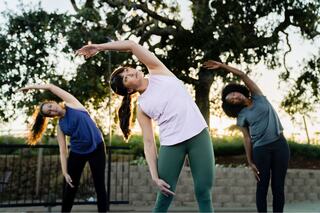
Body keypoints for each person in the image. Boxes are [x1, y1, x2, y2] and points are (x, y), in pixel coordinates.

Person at [76, 40, 215, 212]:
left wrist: (99, 47)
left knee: (203, 192)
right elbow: (149, 142)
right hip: (171, 145)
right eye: (126, 79)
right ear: (128, 90)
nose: (131, 73)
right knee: (164, 197)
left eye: (127, 70)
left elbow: (132, 45)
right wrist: (155, 176)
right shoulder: (142, 107)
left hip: (198, 136)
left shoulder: (158, 70)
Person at [203, 60, 290, 212]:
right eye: (233, 100)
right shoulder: (241, 116)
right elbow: (247, 138)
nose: (236, 98)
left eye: (234, 94)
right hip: (261, 149)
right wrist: (250, 161)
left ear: (237, 90)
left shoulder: (258, 96)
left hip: (280, 145)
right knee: (262, 186)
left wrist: (223, 66)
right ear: (234, 105)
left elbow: (242, 75)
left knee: (278, 186)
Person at [18, 84, 107, 212]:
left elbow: (50, 87)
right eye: (49, 113)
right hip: (77, 153)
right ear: (51, 116)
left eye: (50, 107)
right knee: (70, 187)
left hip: (96, 148)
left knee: (100, 186)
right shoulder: (61, 127)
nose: (52, 110)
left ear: (53, 102)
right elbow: (63, 150)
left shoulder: (73, 104)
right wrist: (65, 172)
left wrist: (30, 87)